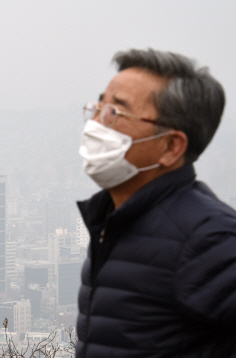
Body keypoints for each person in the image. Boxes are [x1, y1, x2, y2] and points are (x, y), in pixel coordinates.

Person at [76, 48, 236, 357]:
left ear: (171, 146)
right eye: (99, 106)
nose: (96, 122)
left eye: (116, 112)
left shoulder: (207, 238)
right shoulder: (113, 223)